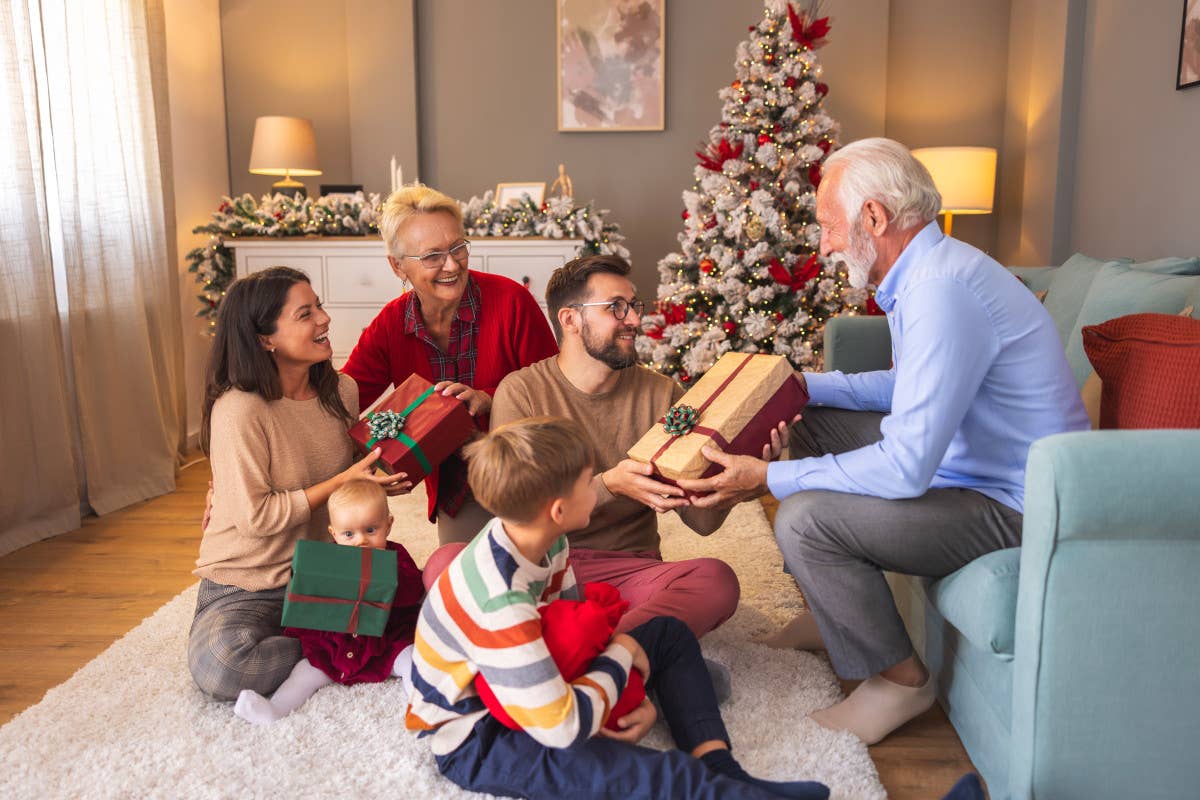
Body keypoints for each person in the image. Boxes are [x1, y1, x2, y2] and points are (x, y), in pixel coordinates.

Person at [672, 137, 1090, 745]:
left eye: (828, 227)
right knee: (806, 416)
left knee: (804, 519)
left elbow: (904, 470)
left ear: (874, 217)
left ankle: (900, 681)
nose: (824, 245)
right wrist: (797, 384)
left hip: (1016, 504)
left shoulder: (940, 291)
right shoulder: (929, 271)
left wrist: (766, 479)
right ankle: (831, 610)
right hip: (969, 470)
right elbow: (905, 386)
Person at [406, 417, 829, 800]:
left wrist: (620, 692)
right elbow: (563, 726)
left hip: (529, 683)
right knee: (649, 774)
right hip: (479, 736)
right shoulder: (499, 601)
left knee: (667, 633)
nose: (599, 487)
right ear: (558, 509)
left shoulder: (544, 536)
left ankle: (720, 766)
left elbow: (574, 626)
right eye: (590, 482)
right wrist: (622, 659)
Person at [422, 254, 791, 640]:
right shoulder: (522, 390)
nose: (634, 319)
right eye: (616, 307)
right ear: (570, 320)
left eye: (634, 306)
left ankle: (582, 649)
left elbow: (701, 523)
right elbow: (515, 509)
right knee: (445, 564)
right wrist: (611, 485)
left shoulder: (663, 395)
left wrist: (742, 480)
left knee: (715, 581)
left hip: (628, 571)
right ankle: (624, 650)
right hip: (536, 567)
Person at [189, 267, 409, 701]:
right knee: (224, 668)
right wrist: (345, 478)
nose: (324, 319)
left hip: (328, 572)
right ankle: (339, 644)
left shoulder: (341, 391)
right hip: (249, 580)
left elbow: (346, 480)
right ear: (265, 338)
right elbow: (256, 520)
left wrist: (372, 485)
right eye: (305, 314)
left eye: (320, 306)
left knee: (429, 611)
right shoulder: (239, 409)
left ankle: (336, 639)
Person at [341, 183, 559, 544]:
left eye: (459, 247)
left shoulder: (512, 302)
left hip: (529, 473)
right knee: (456, 583)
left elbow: (555, 391)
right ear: (398, 266)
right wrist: (362, 469)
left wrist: (492, 398)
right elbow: (343, 400)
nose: (452, 264)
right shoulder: (391, 324)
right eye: (432, 256)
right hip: (457, 490)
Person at [233, 480, 424, 724]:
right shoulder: (327, 563)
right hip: (335, 646)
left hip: (386, 643)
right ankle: (275, 709)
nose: (360, 541)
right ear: (333, 533)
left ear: (388, 525)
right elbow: (307, 599)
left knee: (413, 660)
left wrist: (384, 578)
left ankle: (422, 705)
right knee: (304, 673)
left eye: (371, 530)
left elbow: (413, 589)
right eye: (349, 534)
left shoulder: (396, 557)